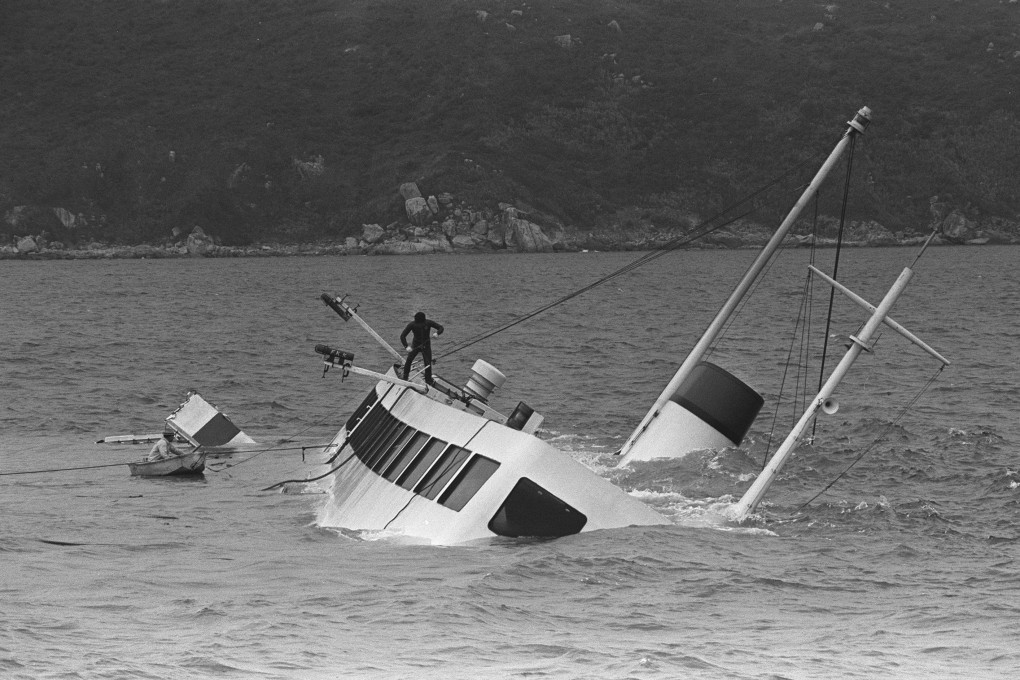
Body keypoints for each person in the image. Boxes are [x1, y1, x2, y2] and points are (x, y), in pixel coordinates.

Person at [400, 311, 444, 384]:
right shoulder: (412, 324)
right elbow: (402, 336)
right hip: (416, 345)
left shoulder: (428, 323)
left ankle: (428, 380)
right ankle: (405, 377)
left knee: (428, 363)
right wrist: (406, 346)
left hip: (426, 346)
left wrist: (437, 333)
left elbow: (441, 328)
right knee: (409, 360)